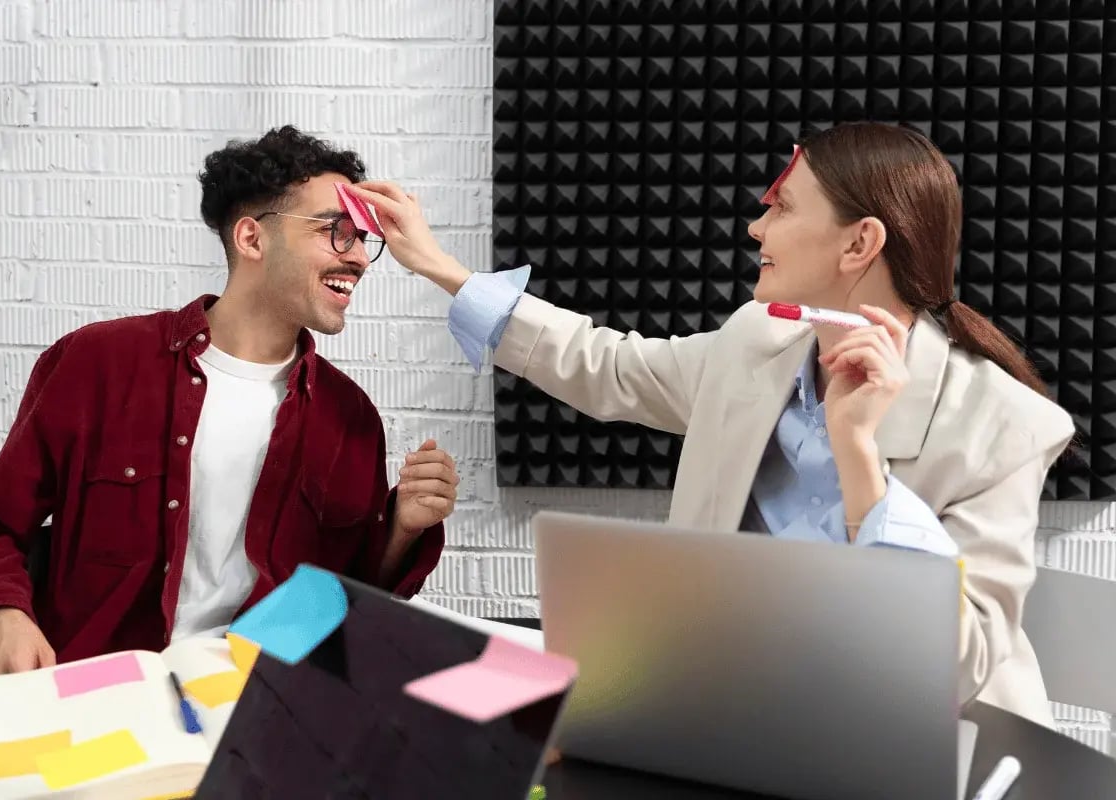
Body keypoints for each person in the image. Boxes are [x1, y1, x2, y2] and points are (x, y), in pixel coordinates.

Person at [347, 121, 1074, 727]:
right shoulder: (754, 343)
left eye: (783, 209)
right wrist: (441, 267)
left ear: (859, 245)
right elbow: (609, 366)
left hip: (924, 742)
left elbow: (954, 666)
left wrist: (858, 458)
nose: (758, 226)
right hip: (741, 709)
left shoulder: (1006, 426)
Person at [0, 126, 458, 677]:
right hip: (102, 695)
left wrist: (402, 527)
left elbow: (345, 600)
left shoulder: (349, 416)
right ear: (252, 239)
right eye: (336, 232)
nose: (358, 257)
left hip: (260, 699)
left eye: (362, 239)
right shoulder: (96, 364)